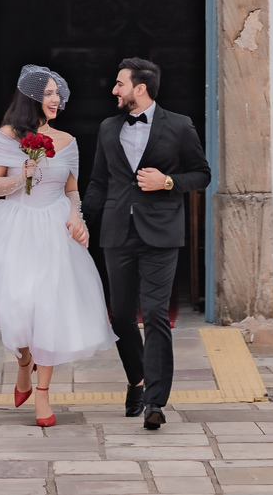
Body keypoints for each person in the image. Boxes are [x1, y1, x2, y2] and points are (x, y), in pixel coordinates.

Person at [0, 64, 116, 428]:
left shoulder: (68, 141)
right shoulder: (5, 136)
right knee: (18, 304)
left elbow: (71, 190)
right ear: (31, 97)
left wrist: (77, 218)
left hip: (53, 229)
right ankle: (22, 363)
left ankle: (44, 395)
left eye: (57, 94)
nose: (55, 99)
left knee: (48, 307)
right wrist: (22, 176)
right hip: (15, 226)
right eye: (48, 93)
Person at [83, 57, 211, 430]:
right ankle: (137, 381)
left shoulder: (180, 126)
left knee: (155, 314)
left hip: (161, 234)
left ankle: (155, 401)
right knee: (121, 315)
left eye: (120, 84)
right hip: (116, 232)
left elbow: (201, 174)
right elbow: (99, 182)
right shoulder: (108, 128)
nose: (114, 90)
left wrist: (168, 182)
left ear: (140, 88)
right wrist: (80, 222)